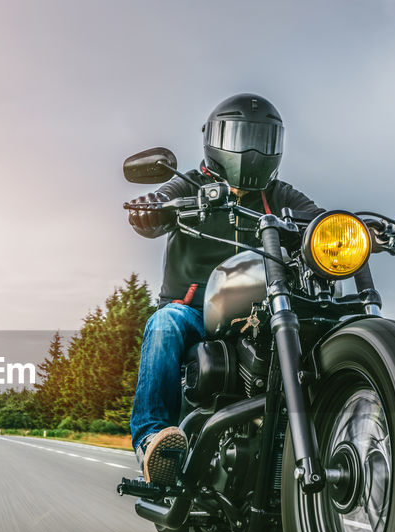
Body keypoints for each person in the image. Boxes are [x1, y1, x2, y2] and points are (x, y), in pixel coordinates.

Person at [126, 93, 325, 485]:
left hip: (260, 317)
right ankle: (152, 443)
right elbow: (155, 210)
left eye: (261, 139)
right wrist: (151, 206)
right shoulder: (189, 184)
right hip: (195, 310)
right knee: (163, 325)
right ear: (214, 139)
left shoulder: (281, 197)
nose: (250, 150)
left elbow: (320, 220)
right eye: (239, 137)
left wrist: (370, 230)